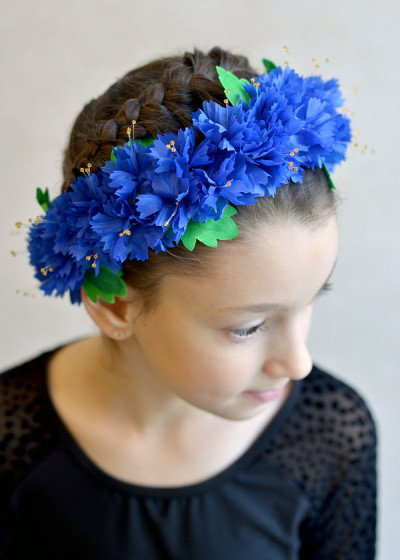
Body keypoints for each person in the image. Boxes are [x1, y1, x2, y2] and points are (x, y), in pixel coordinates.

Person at [0, 47, 376, 559]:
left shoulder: (331, 436)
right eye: (249, 327)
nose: (298, 363)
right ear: (115, 307)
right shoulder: (12, 442)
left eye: (310, 301)